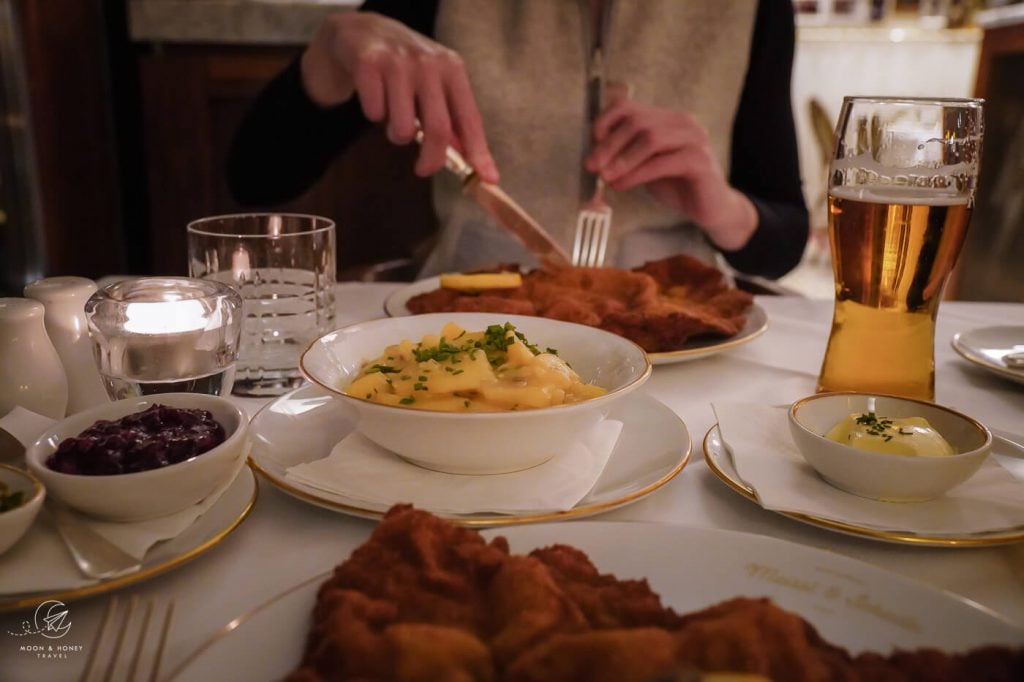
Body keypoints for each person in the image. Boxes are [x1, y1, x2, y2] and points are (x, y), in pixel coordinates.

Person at [227, 0, 808, 280]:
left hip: (680, 347)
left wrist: (723, 207)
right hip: (468, 327)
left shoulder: (749, 9)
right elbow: (258, 174)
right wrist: (331, 52)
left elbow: (784, 241)